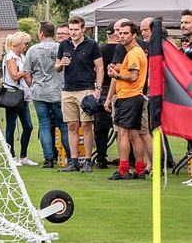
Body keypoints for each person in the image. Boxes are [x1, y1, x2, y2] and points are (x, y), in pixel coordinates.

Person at [54, 15, 104, 172]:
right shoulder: (64, 45)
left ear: (83, 29)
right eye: (71, 29)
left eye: (76, 29)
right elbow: (56, 67)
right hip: (67, 90)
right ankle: (74, 161)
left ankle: (88, 161)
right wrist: (61, 64)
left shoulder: (92, 45)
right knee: (71, 126)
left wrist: (98, 89)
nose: (73, 32)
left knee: (87, 125)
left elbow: (100, 68)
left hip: (86, 89)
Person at [106, 18, 149, 180]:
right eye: (120, 33)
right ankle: (139, 169)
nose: (121, 36)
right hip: (134, 96)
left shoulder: (134, 53)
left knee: (123, 133)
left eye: (125, 33)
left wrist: (116, 75)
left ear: (134, 35)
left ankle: (123, 170)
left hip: (129, 96)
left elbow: (133, 76)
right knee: (134, 134)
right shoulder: (134, 52)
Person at [24, 21, 67, 170]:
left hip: (40, 92)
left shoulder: (33, 50)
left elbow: (26, 72)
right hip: (57, 91)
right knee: (63, 125)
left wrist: (33, 86)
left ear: (42, 33)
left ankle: (49, 158)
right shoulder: (60, 47)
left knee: (44, 125)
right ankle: (69, 157)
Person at [0, 31, 35, 166]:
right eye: (25, 43)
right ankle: (11, 156)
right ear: (18, 43)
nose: (26, 46)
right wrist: (26, 71)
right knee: (11, 126)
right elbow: (14, 75)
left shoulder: (22, 57)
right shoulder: (10, 57)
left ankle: (23, 156)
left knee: (28, 126)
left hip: (23, 96)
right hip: (13, 95)